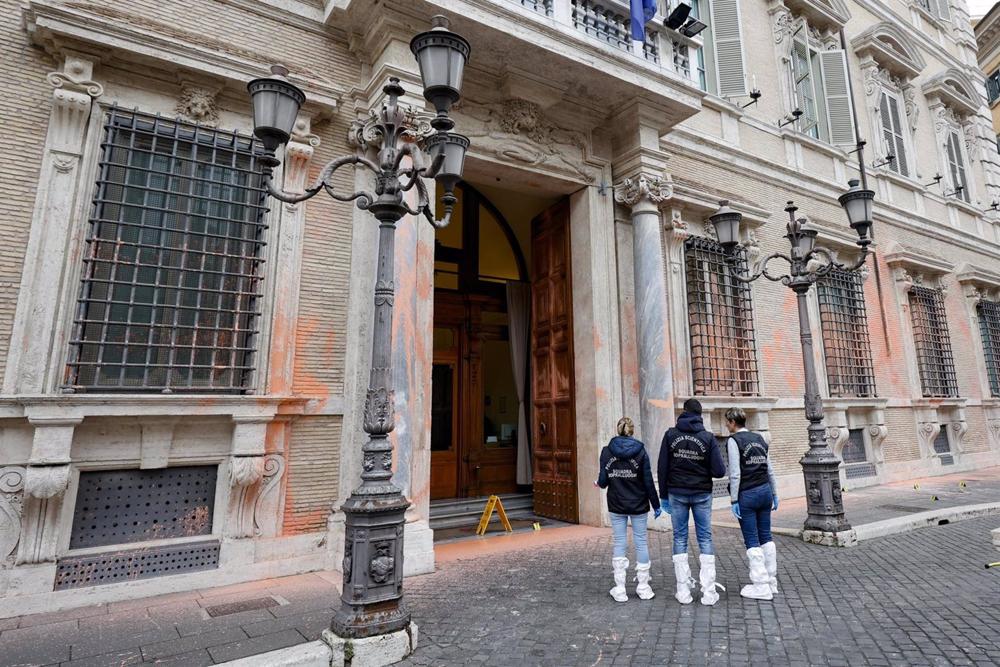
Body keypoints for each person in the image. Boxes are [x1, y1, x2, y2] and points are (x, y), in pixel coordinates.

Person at [658, 398, 727, 605]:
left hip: (677, 492)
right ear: (700, 415)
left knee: (679, 538)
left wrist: (663, 495)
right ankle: (708, 592)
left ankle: (683, 592)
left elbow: (662, 467)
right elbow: (719, 471)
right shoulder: (707, 437)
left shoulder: (670, 435)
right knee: (705, 538)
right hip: (701, 493)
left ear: (683, 412)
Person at [596, 417, 661, 602]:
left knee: (619, 543)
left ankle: (620, 588)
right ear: (632, 431)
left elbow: (603, 481)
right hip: (638, 503)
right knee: (641, 541)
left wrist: (598, 482)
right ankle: (643, 587)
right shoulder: (641, 452)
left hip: (616, 503)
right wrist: (656, 505)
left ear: (617, 430)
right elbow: (648, 481)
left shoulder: (607, 452)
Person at [725, 407, 779, 601]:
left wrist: (733, 499)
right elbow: (769, 469)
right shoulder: (759, 439)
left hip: (747, 493)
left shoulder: (733, 441)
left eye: (727, 422)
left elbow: (735, 473)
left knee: (751, 540)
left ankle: (760, 585)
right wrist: (774, 493)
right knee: (766, 536)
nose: (726, 425)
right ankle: (771, 582)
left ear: (732, 422)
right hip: (765, 491)